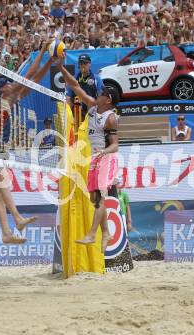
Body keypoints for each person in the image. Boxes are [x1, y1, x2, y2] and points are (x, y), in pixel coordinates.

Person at [0, 40, 55, 244]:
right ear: (4, 89)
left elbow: (34, 80)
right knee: (2, 185)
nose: (12, 83)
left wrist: (50, 63)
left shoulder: (12, 97)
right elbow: (29, 74)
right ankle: (18, 218)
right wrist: (41, 51)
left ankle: (6, 233)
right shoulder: (7, 98)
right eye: (9, 82)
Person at [57, 55, 119, 253]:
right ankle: (107, 232)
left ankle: (93, 234)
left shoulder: (110, 118)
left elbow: (115, 146)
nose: (98, 94)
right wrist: (61, 68)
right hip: (95, 158)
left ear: (108, 100)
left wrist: (102, 153)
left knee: (99, 198)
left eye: (102, 94)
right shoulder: (93, 107)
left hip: (106, 158)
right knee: (94, 200)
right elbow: (75, 86)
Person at [66, 54, 104, 120]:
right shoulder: (73, 79)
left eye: (85, 63)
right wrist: (69, 117)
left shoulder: (96, 79)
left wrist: (99, 113)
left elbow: (101, 97)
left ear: (90, 64)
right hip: (77, 113)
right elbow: (68, 98)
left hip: (92, 113)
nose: (83, 65)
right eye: (81, 63)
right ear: (79, 65)